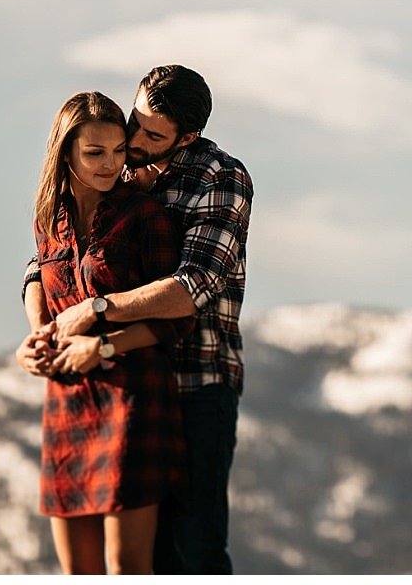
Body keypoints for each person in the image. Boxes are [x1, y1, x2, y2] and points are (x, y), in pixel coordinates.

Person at [20, 65, 253, 574]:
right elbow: (44, 262)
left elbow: (190, 289)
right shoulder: (114, 167)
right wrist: (38, 332)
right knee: (156, 558)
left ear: (186, 137)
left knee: (194, 548)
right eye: (136, 121)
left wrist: (95, 313)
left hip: (196, 379)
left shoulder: (220, 176)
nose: (132, 140)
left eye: (151, 135)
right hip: (109, 383)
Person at [17, 91, 193, 574]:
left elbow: (176, 318)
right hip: (66, 403)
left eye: (118, 151)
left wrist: (104, 345)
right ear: (65, 152)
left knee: (126, 569)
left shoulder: (146, 216)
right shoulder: (48, 222)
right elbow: (39, 279)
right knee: (77, 573)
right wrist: (36, 338)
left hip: (131, 399)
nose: (111, 164)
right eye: (95, 153)